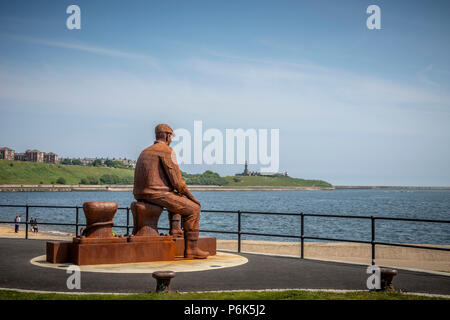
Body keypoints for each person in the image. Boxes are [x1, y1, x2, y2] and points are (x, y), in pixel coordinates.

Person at [133, 123, 209, 259]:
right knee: (194, 209)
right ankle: (192, 249)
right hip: (156, 194)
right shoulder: (166, 151)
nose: (172, 139)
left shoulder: (145, 151)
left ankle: (175, 230)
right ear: (167, 136)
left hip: (141, 193)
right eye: (171, 136)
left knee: (176, 195)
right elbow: (177, 182)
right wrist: (192, 198)